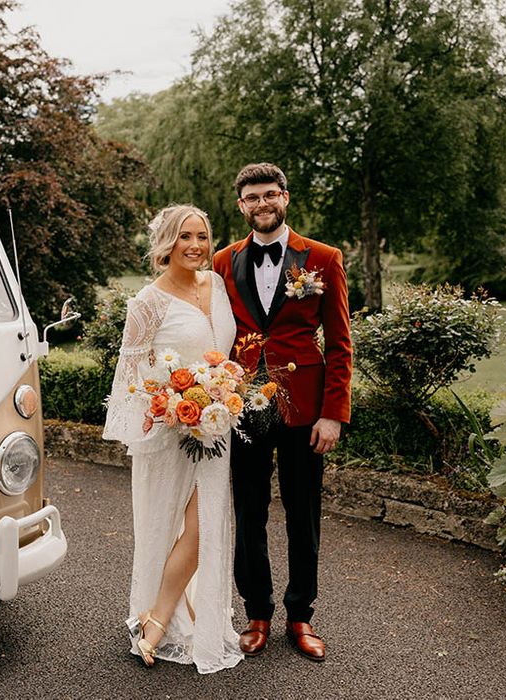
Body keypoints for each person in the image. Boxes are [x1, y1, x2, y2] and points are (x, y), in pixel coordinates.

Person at [213, 163, 352, 662]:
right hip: (242, 407)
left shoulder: (323, 258)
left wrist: (333, 413)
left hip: (307, 412)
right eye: (252, 198)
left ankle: (300, 614)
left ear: (285, 198)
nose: (262, 204)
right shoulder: (222, 261)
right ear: (241, 206)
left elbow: (340, 344)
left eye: (270, 195)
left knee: (303, 514)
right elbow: (214, 335)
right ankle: (257, 613)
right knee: (249, 511)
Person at [103, 204, 244, 674]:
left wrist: (226, 386)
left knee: (205, 526)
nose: (196, 246)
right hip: (170, 432)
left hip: (215, 427)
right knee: (165, 529)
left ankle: (160, 617)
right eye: (185, 236)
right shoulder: (148, 302)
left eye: (202, 236)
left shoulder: (216, 284)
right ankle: (157, 615)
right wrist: (166, 404)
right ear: (167, 241)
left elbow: (222, 353)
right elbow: (130, 373)